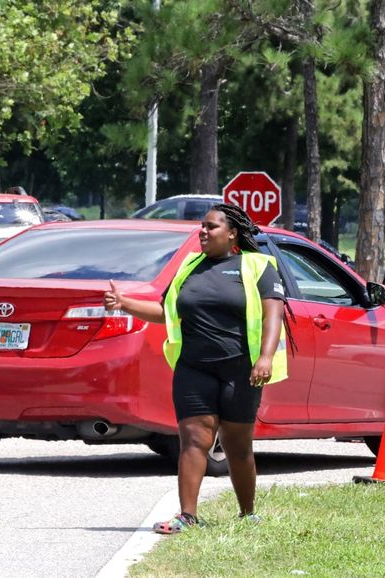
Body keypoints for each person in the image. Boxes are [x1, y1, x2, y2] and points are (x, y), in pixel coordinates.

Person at [103, 203, 288, 533]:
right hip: (193, 368)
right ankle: (187, 515)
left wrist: (265, 357)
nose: (202, 232)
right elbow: (167, 313)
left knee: (237, 445)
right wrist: (125, 303)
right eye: (201, 226)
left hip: (240, 370)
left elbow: (273, 316)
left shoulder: (257, 266)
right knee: (193, 439)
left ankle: (247, 512)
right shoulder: (189, 267)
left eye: (211, 227)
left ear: (231, 233)